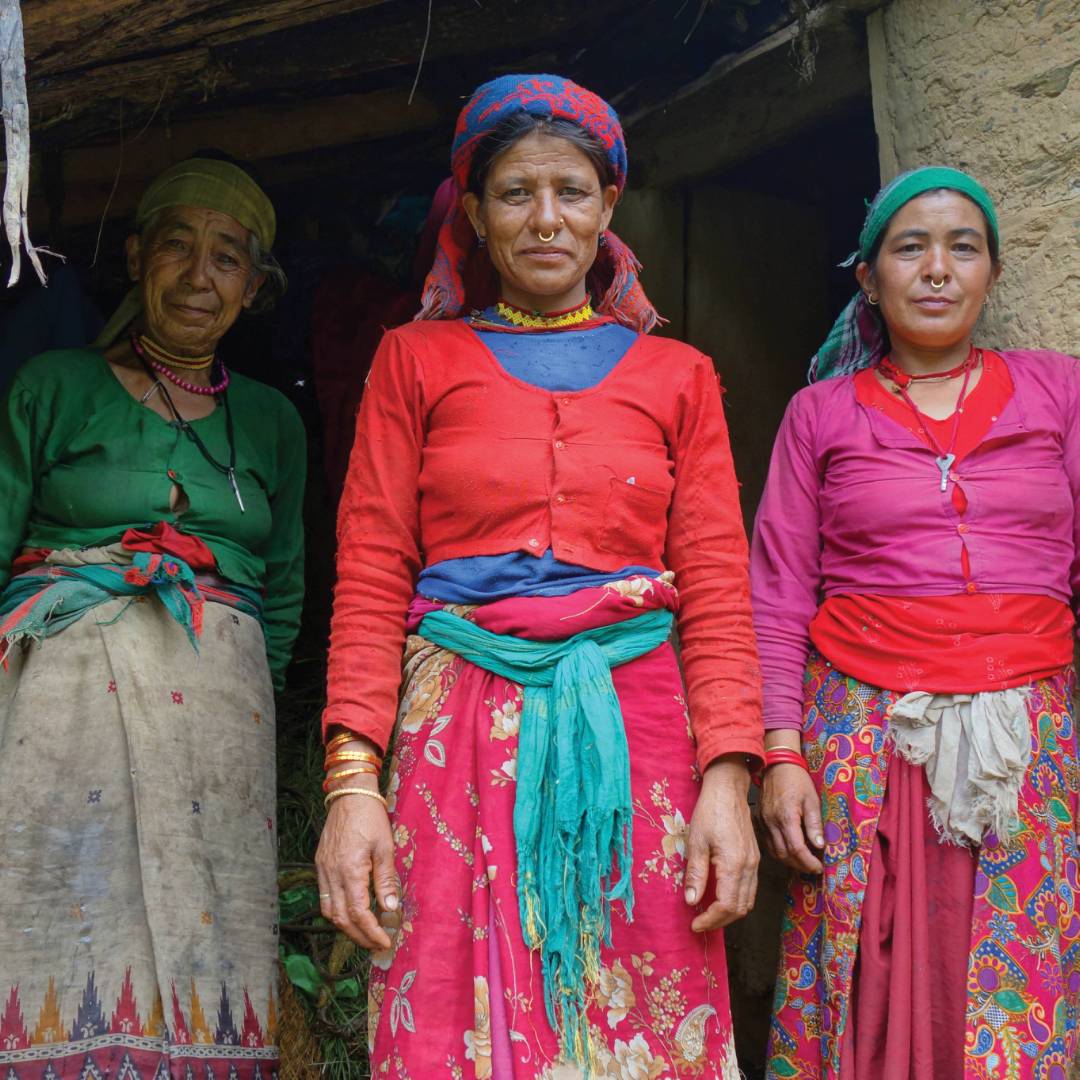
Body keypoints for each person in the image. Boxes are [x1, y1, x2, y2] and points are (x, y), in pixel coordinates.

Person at [317, 74, 763, 1078]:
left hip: (640, 734)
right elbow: (373, 574)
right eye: (516, 193)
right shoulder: (412, 360)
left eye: (571, 191)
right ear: (473, 215)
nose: (545, 218)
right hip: (452, 735)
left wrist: (728, 782)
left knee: (648, 995)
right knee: (447, 999)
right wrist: (352, 786)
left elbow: (719, 593)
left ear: (610, 206)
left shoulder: (678, 376)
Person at [752, 166, 1080, 1079]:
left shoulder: (1059, 393)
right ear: (868, 276)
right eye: (910, 248)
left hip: (1026, 744)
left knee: (1015, 978)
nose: (937, 269)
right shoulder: (819, 415)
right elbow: (778, 595)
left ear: (993, 272)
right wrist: (780, 758)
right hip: (863, 736)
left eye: (962, 248)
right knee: (868, 972)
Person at [0, 158, 306, 1079]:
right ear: (136, 259)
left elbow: (284, 588)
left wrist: (247, 684)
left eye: (227, 258)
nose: (198, 276)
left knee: (214, 929)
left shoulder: (269, 422)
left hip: (221, 725)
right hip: (61, 714)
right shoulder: (54, 386)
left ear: (252, 289)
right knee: (67, 909)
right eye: (177, 245)